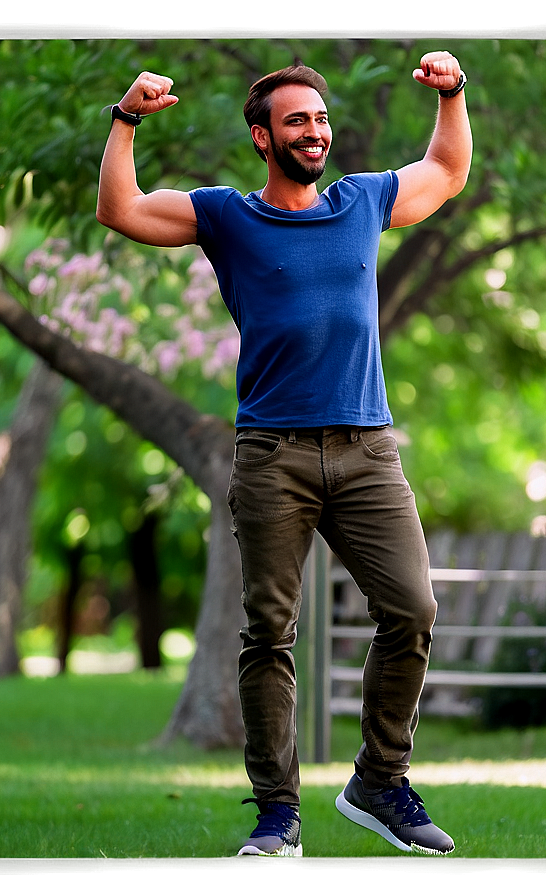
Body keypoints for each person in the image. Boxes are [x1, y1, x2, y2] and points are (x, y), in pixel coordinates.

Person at [97, 49, 473, 857]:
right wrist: (125, 118)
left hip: (369, 450)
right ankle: (279, 814)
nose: (315, 131)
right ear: (263, 138)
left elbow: (446, 170)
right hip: (273, 455)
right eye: (297, 120)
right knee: (270, 633)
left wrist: (453, 94)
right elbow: (121, 209)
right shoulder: (226, 215)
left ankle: (378, 781)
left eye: (322, 118)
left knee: (413, 609)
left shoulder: (362, 202)